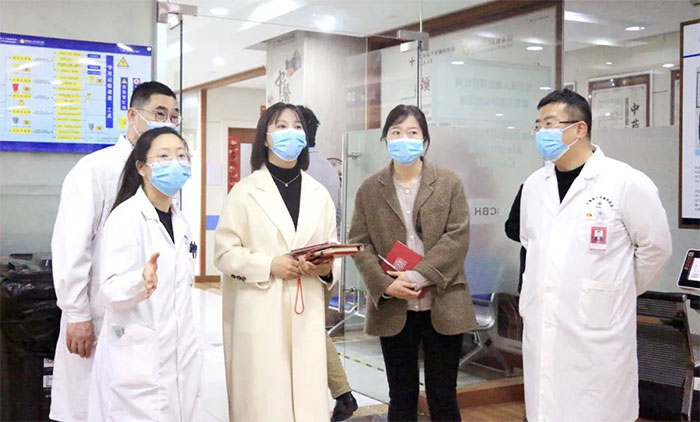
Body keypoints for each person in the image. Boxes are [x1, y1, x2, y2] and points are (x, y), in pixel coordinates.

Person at [519, 89, 672, 422]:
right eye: (538, 125)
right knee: (546, 407)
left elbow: (656, 248)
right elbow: (531, 244)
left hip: (599, 331)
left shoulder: (626, 182)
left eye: (550, 124)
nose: (542, 133)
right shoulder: (534, 185)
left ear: (580, 128)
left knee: (597, 409)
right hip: (544, 324)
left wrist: (616, 289)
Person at [49, 81, 179, 422]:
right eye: (159, 114)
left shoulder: (166, 174)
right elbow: (72, 245)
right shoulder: (97, 168)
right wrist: (76, 314)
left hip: (147, 315)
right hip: (99, 309)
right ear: (133, 116)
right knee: (90, 404)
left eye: (173, 116)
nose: (167, 123)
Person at [349, 104, 477, 422]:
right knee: (401, 394)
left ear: (424, 140)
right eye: (396, 132)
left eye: (412, 132)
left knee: (443, 395)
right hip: (394, 304)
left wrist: (419, 275)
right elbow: (359, 243)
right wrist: (385, 284)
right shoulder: (370, 189)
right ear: (385, 139)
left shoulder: (448, 183)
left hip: (443, 300)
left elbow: (457, 237)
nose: (404, 139)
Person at [214, 102, 340, 421]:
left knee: (307, 398)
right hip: (260, 308)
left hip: (306, 308)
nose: (290, 133)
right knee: (265, 399)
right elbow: (225, 253)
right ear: (266, 138)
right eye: (281, 126)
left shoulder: (318, 194)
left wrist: (325, 268)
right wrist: (269, 265)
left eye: (297, 127)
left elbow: (332, 247)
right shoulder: (244, 192)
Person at [87, 127, 201, 421]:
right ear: (141, 167)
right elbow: (110, 291)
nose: (175, 163)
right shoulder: (125, 218)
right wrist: (140, 281)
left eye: (181, 156)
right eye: (163, 156)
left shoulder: (181, 222)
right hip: (137, 355)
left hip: (178, 354)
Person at [297, 105, 358, 421]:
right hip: (324, 262)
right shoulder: (326, 167)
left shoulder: (301, 170)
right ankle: (341, 393)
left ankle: (341, 393)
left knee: (308, 330)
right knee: (311, 329)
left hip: (303, 265)